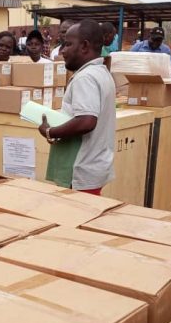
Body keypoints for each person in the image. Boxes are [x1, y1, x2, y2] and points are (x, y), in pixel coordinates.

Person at [38, 20, 116, 195]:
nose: (62, 50)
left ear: (84, 46)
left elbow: (86, 121)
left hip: (82, 170)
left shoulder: (85, 78)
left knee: (75, 219)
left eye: (67, 44)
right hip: (95, 166)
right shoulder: (101, 73)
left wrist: (51, 132)